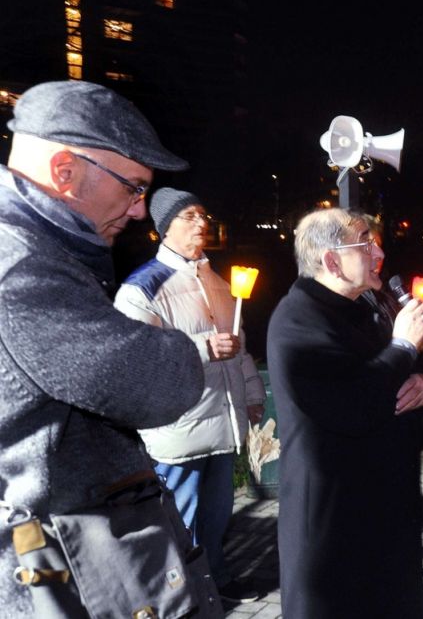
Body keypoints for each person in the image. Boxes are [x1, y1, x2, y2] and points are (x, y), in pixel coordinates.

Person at [0, 80, 210, 616]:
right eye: (134, 187)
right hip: (62, 561)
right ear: (64, 171)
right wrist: (173, 346)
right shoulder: (22, 266)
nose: (140, 211)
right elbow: (158, 382)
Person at [267, 208, 423, 618]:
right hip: (334, 523)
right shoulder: (297, 321)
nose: (378, 251)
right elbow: (352, 404)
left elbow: (396, 375)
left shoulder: (367, 305)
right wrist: (404, 348)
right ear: (331, 261)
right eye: (365, 242)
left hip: (379, 512)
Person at [114, 188, 265, 604]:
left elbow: (240, 346)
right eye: (190, 216)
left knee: (217, 515)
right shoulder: (141, 289)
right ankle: (184, 598)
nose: (202, 223)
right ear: (165, 227)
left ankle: (217, 580)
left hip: (221, 419)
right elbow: (137, 360)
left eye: (204, 215)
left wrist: (252, 393)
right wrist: (201, 347)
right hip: (178, 426)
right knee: (180, 519)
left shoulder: (218, 280)